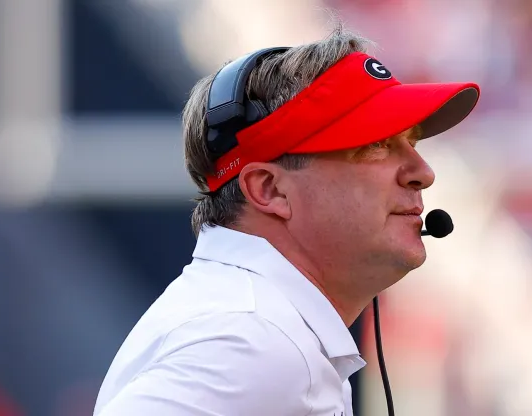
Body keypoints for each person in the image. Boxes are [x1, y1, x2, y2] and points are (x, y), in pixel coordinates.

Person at [93, 25, 480, 416]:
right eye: (376, 144)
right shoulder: (252, 339)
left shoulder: (260, 326)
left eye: (410, 142)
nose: (423, 171)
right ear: (270, 189)